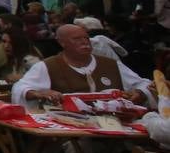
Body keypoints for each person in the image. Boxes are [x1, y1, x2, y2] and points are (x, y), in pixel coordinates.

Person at [12, 22, 152, 104]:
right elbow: (20, 88)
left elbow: (143, 83)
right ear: (62, 43)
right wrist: (38, 93)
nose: (84, 42)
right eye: (77, 39)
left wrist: (140, 93)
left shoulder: (111, 64)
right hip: (71, 129)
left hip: (117, 124)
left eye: (86, 38)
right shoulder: (48, 66)